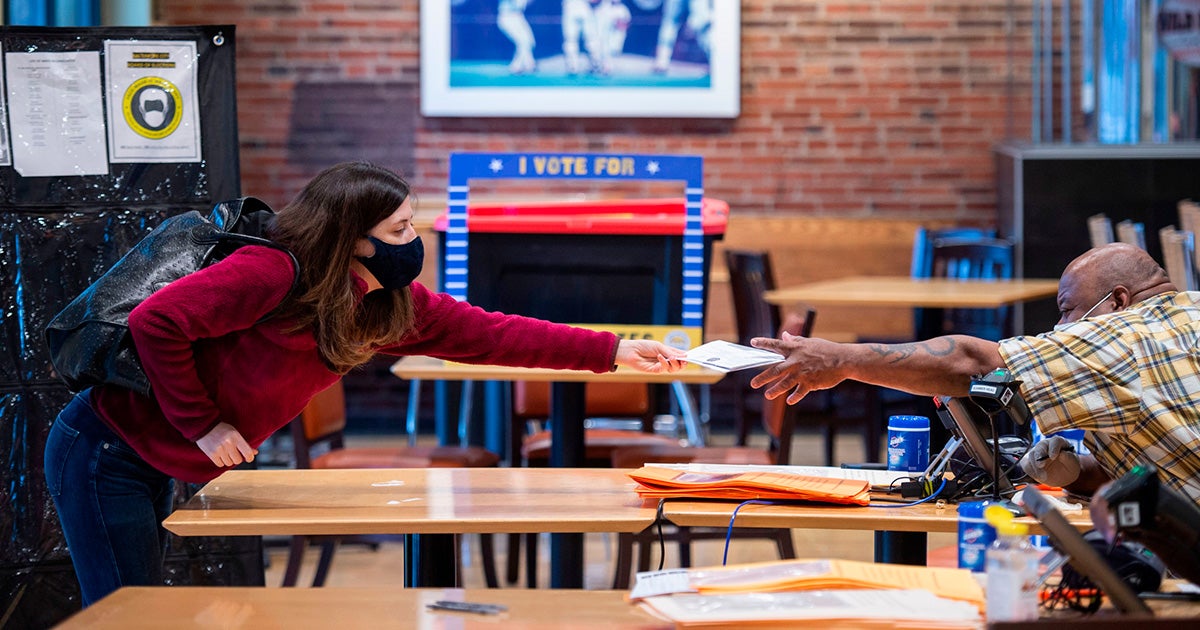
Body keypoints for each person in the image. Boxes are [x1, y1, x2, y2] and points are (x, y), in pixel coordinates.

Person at [43, 161, 688, 606]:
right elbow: (157, 321)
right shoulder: (271, 272)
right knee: (129, 612)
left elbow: (494, 334)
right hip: (105, 450)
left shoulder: (382, 303)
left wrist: (616, 351)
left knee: (146, 607)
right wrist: (204, 425)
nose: (416, 240)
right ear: (349, 240)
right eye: (400, 230)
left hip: (158, 457)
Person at [749, 242, 1200, 506]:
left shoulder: (1121, 339)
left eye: (1067, 311)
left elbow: (971, 363)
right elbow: (1174, 458)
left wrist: (841, 359)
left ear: (1118, 300)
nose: (1062, 328)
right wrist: (1073, 472)